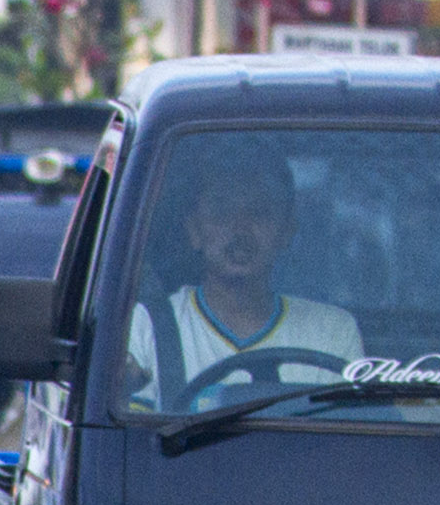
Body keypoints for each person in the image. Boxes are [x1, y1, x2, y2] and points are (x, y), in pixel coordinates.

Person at [121, 138, 359, 407]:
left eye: (259, 213)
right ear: (194, 230)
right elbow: (134, 439)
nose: (241, 230)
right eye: (222, 212)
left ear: (286, 231)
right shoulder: (147, 326)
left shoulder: (332, 332)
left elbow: (343, 445)